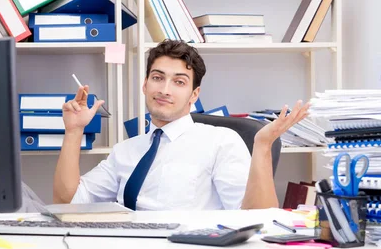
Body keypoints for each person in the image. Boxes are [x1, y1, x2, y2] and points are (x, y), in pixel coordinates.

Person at [52, 39, 310, 210]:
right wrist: (74, 132)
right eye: (157, 77)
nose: (164, 89)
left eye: (179, 82)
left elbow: (257, 219)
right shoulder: (126, 150)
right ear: (145, 85)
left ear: (194, 95)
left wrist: (263, 147)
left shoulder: (220, 142)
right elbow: (67, 203)